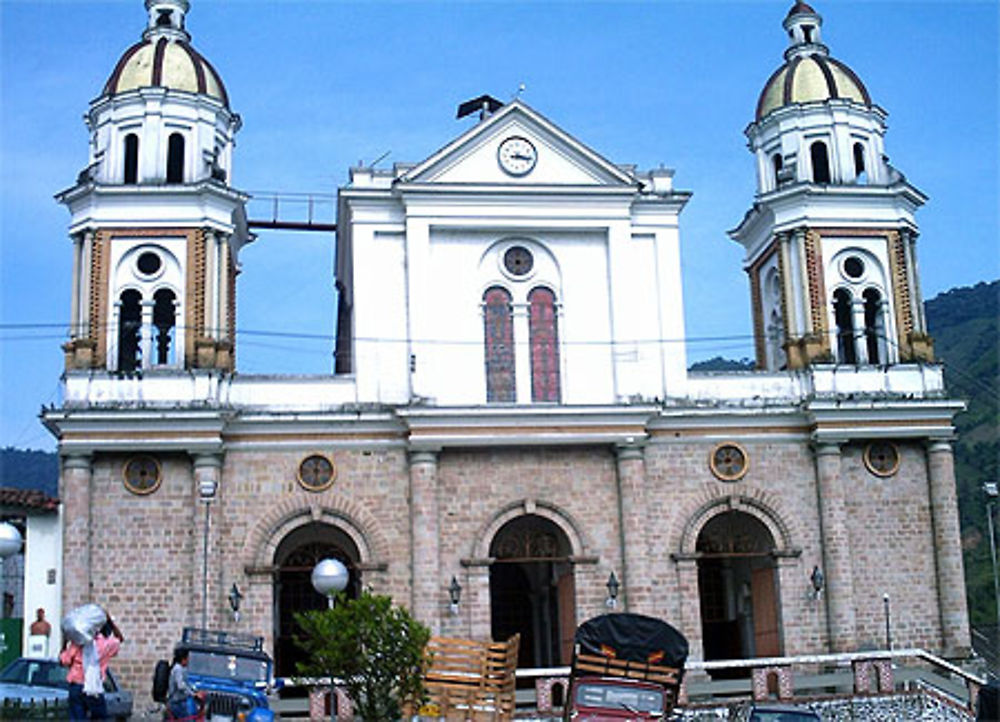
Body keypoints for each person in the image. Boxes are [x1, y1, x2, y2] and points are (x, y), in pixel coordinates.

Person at [59, 611, 123, 720]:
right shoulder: (106, 644)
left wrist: (65, 642)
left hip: (77, 687)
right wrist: (110, 622)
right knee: (99, 717)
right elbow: (120, 639)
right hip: (94, 687)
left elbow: (64, 661)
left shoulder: (78, 643)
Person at [167, 647, 204, 720]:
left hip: (181, 702)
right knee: (189, 719)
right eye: (187, 658)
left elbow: (187, 683)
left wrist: (195, 691)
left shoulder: (182, 669)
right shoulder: (178, 669)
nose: (188, 661)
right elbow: (181, 686)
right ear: (183, 659)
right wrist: (193, 694)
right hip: (177, 703)